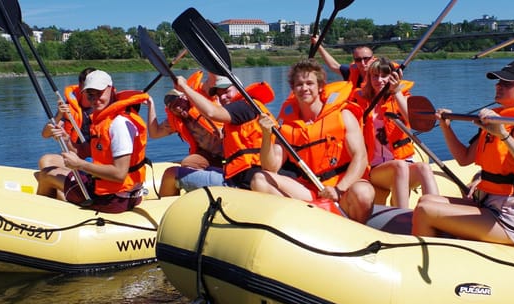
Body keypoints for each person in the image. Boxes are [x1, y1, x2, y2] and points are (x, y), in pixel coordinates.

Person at [411, 60, 514, 247]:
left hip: (511, 217)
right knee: (425, 200)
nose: (498, 86)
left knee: (425, 210)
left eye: (506, 83)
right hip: (489, 203)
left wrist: (503, 134)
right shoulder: (495, 118)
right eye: (498, 82)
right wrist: (446, 128)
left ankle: (432, 257)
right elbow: (464, 159)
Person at [250, 59, 375, 222]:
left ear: (320, 86)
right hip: (310, 190)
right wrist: (267, 136)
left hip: (343, 188)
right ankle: (300, 224)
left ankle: (357, 230)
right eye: (299, 84)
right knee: (259, 179)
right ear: (293, 89)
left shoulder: (343, 115)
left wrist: (339, 189)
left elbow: (361, 157)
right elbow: (270, 167)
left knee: (363, 192)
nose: (304, 88)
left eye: (309, 83)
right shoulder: (288, 125)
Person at [36, 70, 153, 213]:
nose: (95, 99)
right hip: (117, 193)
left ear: (112, 90)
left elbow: (119, 174)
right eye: (90, 95)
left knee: (46, 175)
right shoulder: (104, 119)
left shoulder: (118, 124)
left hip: (113, 199)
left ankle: (40, 217)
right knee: (51, 168)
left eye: (99, 93)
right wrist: (67, 139)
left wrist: (80, 164)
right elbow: (86, 151)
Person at [174, 74, 288, 190]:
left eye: (226, 91)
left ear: (239, 88)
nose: (223, 97)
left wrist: (185, 87)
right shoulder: (251, 105)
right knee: (191, 164)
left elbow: (211, 113)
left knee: (172, 173)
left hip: (242, 181)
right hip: (248, 175)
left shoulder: (243, 106)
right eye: (219, 95)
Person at [351, 57, 437, 208]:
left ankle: (436, 211)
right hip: (376, 167)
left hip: (403, 162)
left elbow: (412, 120)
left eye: (384, 76)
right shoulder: (360, 101)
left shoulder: (402, 97)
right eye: (375, 76)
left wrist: (396, 91)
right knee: (399, 166)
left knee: (424, 167)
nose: (380, 80)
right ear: (369, 78)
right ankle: (401, 215)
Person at [146, 88, 225, 197]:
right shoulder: (176, 121)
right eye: (173, 107)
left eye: (179, 102)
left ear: (186, 98)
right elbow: (154, 133)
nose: (178, 108)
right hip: (209, 155)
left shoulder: (206, 108)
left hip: (228, 153)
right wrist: (151, 105)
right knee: (188, 163)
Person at [36, 67, 95, 200]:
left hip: (93, 160)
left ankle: (63, 193)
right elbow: (45, 134)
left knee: (58, 187)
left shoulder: (100, 106)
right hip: (75, 156)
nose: (90, 92)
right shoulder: (70, 107)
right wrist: (59, 115)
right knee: (45, 160)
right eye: (86, 88)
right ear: (80, 86)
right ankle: (63, 188)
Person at [311, 36, 376, 88]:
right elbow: (334, 66)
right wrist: (318, 45)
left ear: (373, 59)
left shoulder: (380, 75)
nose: (362, 63)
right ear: (355, 61)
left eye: (366, 59)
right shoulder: (350, 72)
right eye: (358, 60)